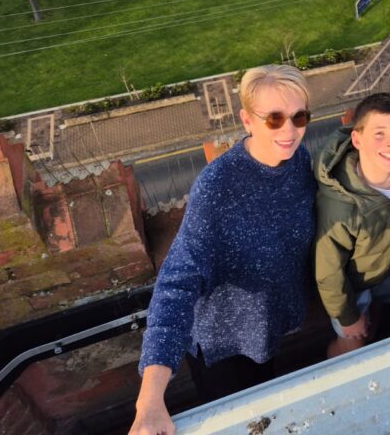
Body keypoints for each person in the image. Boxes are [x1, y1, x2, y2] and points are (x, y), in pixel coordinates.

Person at [130, 65, 317, 435]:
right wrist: (149, 399)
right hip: (225, 345)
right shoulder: (218, 187)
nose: (290, 130)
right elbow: (176, 283)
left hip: (268, 328)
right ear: (247, 119)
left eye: (299, 117)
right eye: (274, 119)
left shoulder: (298, 160)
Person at [314, 93, 390, 358]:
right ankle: (335, 383)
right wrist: (348, 317)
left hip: (389, 273)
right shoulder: (340, 206)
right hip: (353, 287)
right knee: (353, 343)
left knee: (377, 327)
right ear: (357, 139)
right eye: (379, 134)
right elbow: (329, 272)